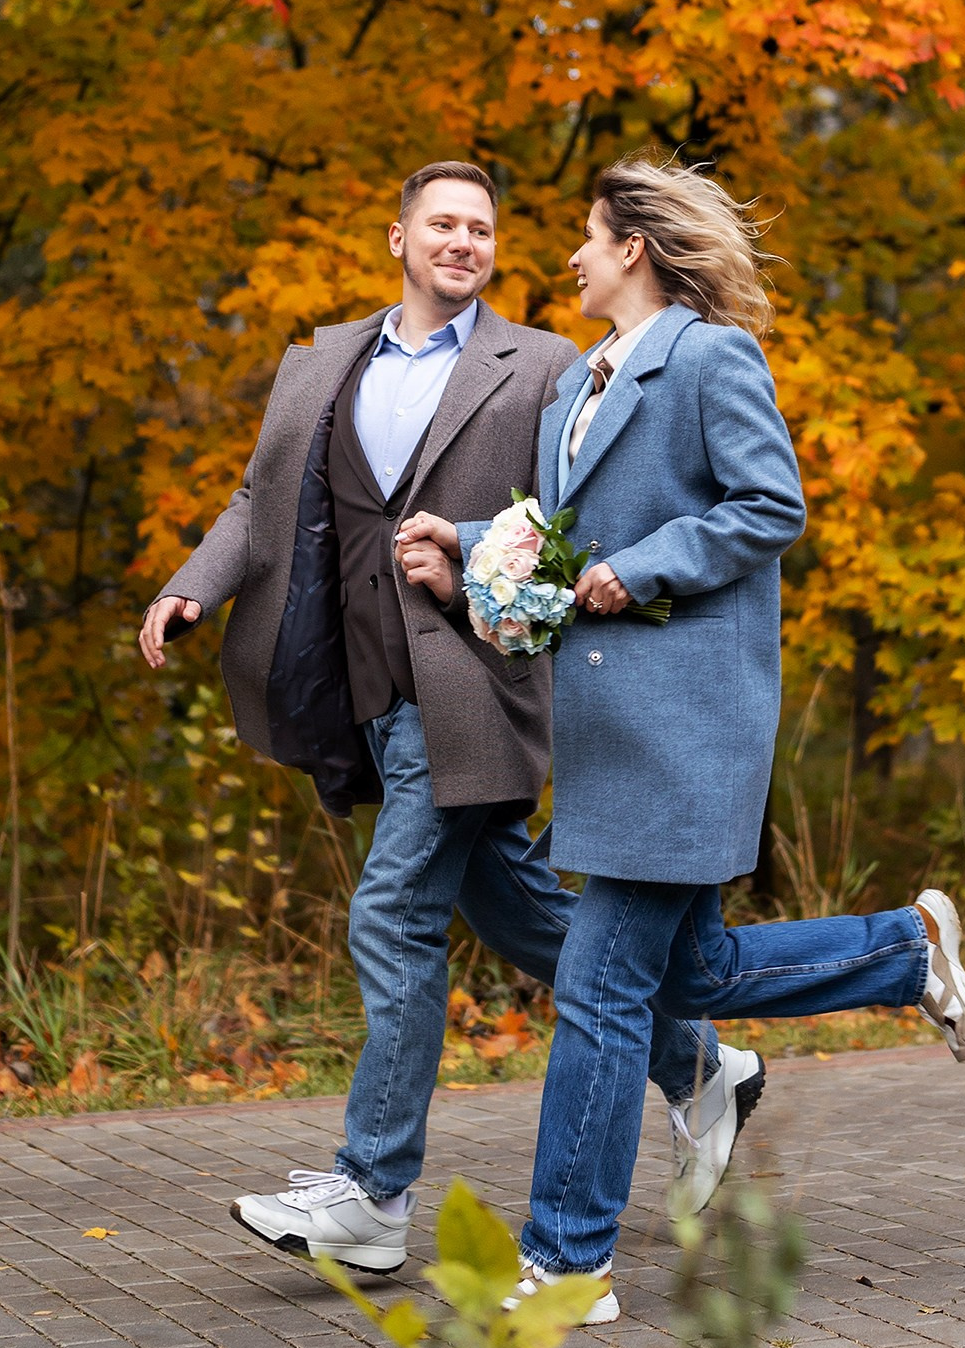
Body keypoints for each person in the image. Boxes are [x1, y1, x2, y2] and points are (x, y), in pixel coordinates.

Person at [137, 160, 761, 1278]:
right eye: (444, 221)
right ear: (399, 237)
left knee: (390, 913)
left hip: (479, 685)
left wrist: (482, 549)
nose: (465, 239)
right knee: (527, 918)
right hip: (363, 688)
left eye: (483, 226)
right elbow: (257, 497)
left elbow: (570, 517)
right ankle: (700, 1062)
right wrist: (195, 582)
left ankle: (373, 1191)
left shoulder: (547, 362)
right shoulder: (320, 360)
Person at [405, 158, 965, 1321]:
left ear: (634, 247)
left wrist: (635, 570)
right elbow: (567, 536)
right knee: (692, 973)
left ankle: (567, 1263)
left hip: (687, 720)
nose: (569, 253)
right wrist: (465, 541)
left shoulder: (710, 357)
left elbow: (769, 507)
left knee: (602, 981)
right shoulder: (579, 387)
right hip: (608, 721)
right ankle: (903, 949)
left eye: (586, 234)